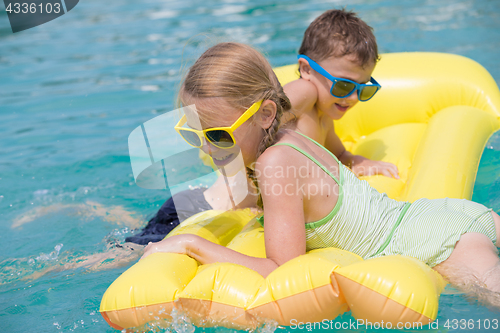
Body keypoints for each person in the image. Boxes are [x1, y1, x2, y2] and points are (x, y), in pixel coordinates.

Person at [141, 42, 500, 307]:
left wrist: (192, 243)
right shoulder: (288, 136)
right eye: (194, 134)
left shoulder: (273, 164)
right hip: (439, 216)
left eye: (217, 135)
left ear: (266, 115)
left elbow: (280, 268)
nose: (206, 148)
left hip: (437, 244)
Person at [283, 9, 399, 179]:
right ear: (307, 69)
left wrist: (359, 162)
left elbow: (339, 156)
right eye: (344, 86)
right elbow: (256, 125)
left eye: (363, 88)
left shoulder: (324, 115)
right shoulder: (303, 92)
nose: (353, 98)